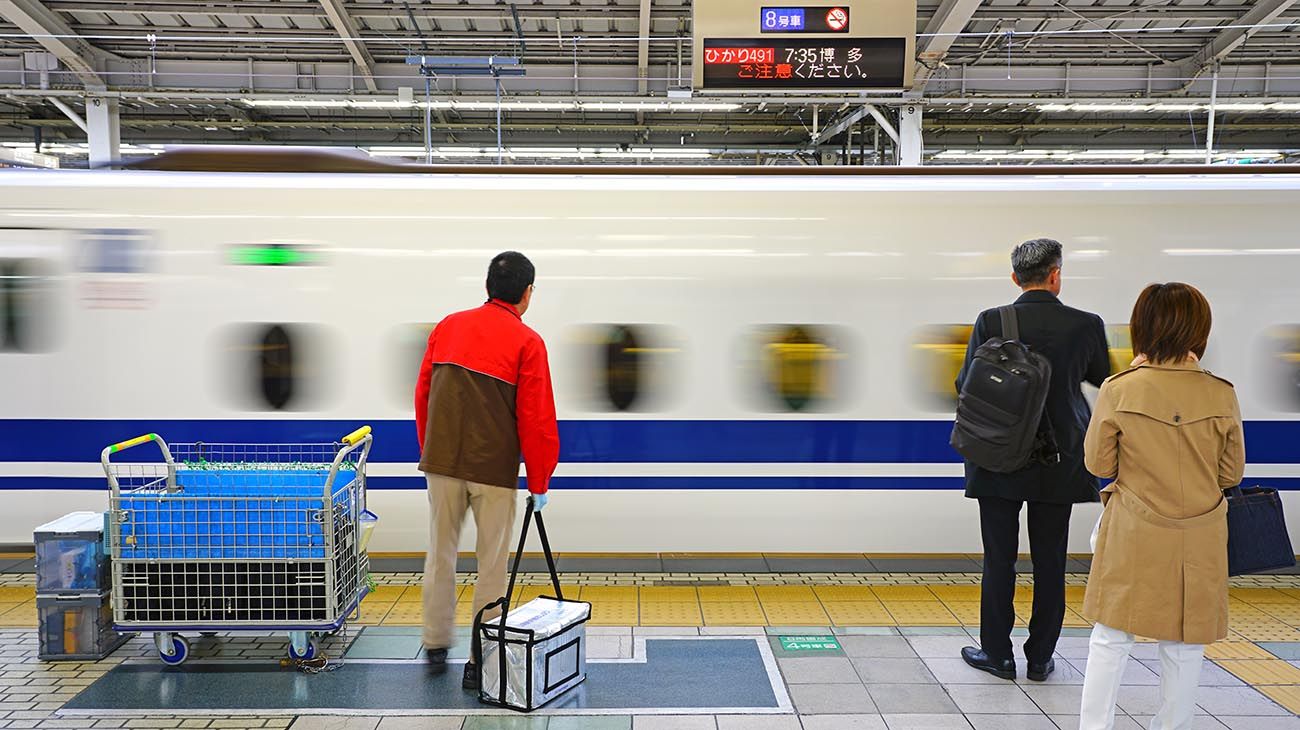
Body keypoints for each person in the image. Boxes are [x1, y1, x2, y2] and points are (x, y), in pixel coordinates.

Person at [1078, 283, 1244, 730]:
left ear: (1142, 329)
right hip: (1200, 535)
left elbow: (1098, 462)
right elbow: (1231, 475)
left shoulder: (1120, 389)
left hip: (1134, 526)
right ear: (1198, 331)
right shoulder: (1221, 393)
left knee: (1111, 638)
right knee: (1185, 643)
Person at [957, 238, 1111, 681]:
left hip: (997, 455)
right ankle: (1040, 657)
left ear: (1015, 278)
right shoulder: (1086, 325)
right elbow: (1102, 379)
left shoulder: (992, 321)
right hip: (1059, 458)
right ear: (1056, 275)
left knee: (998, 559)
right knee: (1050, 560)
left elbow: (965, 382)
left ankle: (998, 655)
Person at [414, 251, 560, 689]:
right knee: (491, 564)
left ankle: (436, 643)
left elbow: (423, 395)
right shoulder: (527, 342)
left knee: (440, 553)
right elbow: (536, 420)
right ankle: (482, 657)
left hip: (441, 465)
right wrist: (539, 481)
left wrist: (433, 450)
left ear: (487, 286)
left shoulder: (447, 326)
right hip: (493, 472)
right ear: (527, 293)